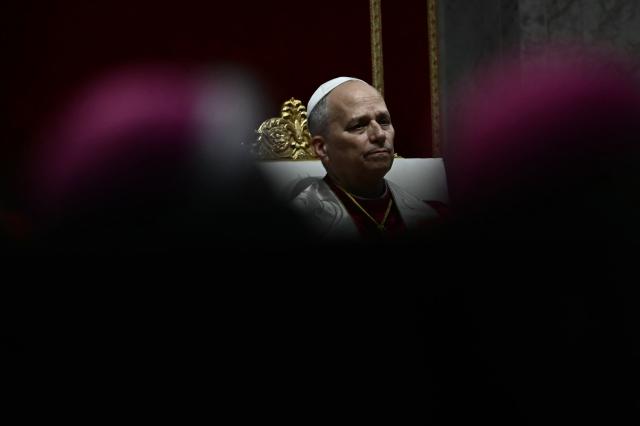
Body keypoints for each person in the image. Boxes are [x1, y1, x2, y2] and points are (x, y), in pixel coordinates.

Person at [291, 77, 439, 240]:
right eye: (358, 125)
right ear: (321, 148)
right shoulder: (294, 227)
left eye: (384, 121)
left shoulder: (434, 216)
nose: (380, 135)